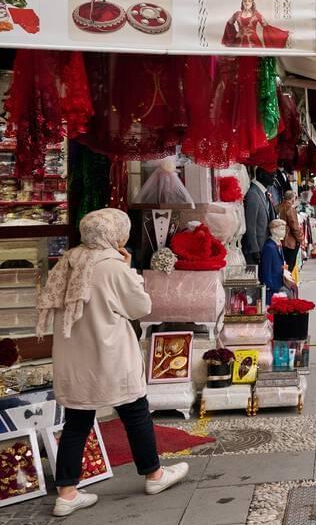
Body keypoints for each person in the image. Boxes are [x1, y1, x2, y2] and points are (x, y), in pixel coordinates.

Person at [36, 208, 188, 516]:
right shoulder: (112, 267)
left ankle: (66, 492)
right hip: (111, 357)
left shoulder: (68, 262)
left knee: (77, 422)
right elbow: (140, 307)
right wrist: (128, 270)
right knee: (135, 413)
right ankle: (154, 474)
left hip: (76, 360)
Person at [259, 219, 296, 297]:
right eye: (281, 229)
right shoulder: (269, 247)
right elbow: (266, 269)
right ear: (274, 230)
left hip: (280, 282)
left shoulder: (278, 244)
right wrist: (270, 286)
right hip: (273, 286)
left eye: (284, 229)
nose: (284, 232)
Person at [276, 190, 303, 270]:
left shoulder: (278, 207)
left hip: (279, 239)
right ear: (292, 198)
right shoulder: (290, 209)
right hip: (290, 241)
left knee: (283, 263)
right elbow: (294, 227)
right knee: (290, 265)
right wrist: (300, 239)